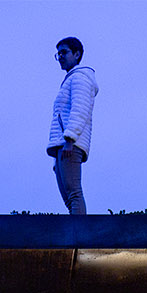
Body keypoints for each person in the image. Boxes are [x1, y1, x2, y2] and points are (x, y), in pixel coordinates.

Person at [47, 36, 98, 215]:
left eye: (64, 52)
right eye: (58, 53)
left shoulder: (80, 78)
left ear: (77, 54)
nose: (60, 56)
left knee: (74, 193)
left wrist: (69, 139)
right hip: (63, 145)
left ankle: (80, 231)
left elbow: (79, 109)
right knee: (69, 197)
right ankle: (75, 229)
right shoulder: (71, 79)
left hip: (70, 144)